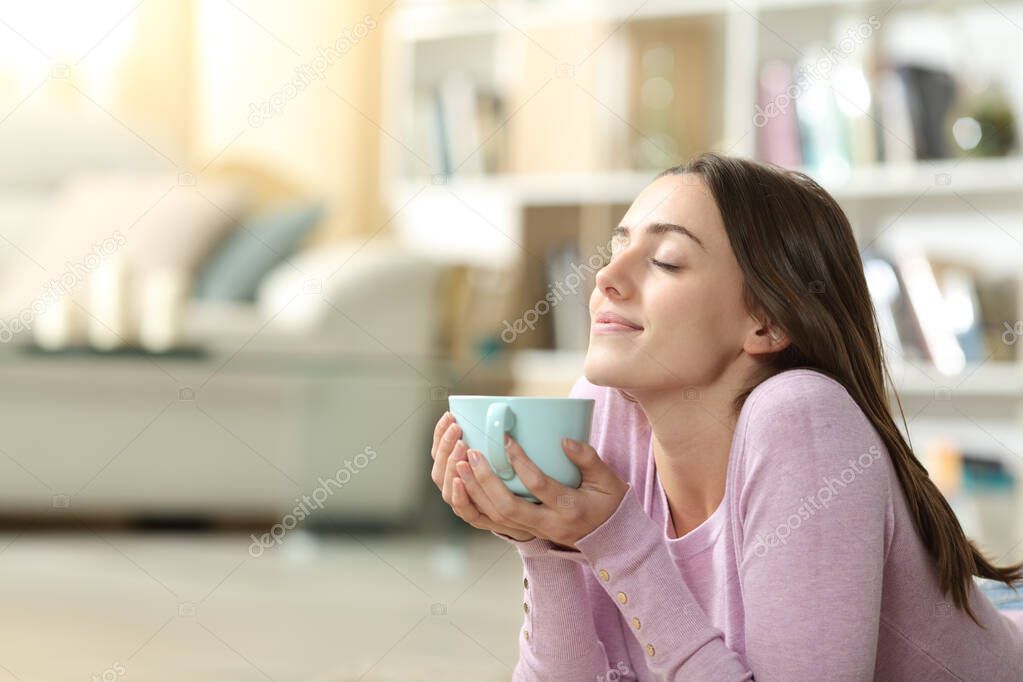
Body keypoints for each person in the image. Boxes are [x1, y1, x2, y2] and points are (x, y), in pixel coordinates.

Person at [430, 153, 1023, 680]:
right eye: (616, 249)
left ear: (765, 322)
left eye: (664, 260)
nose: (606, 279)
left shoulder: (802, 418)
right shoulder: (603, 407)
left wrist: (617, 542)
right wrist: (545, 541)